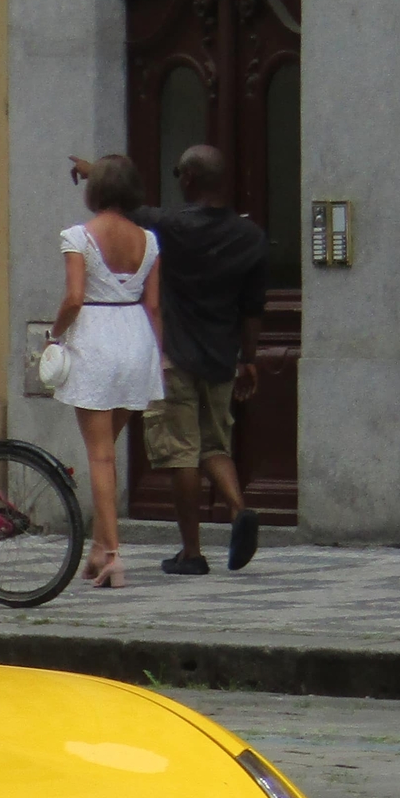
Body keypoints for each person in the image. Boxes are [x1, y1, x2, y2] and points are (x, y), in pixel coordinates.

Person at [133, 145, 268, 575]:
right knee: (214, 444)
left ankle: (191, 553)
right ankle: (239, 508)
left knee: (180, 454)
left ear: (189, 179)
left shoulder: (171, 226)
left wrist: (92, 170)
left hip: (175, 355)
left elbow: (126, 202)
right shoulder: (250, 238)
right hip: (220, 357)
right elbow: (252, 310)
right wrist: (248, 360)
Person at [47, 154, 164, 589]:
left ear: (95, 190)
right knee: (108, 453)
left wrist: (53, 335)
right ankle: (99, 548)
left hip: (95, 339)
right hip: (135, 340)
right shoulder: (148, 240)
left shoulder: (79, 236)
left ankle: (113, 554)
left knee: (100, 456)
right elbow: (153, 305)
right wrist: (159, 355)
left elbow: (74, 297)